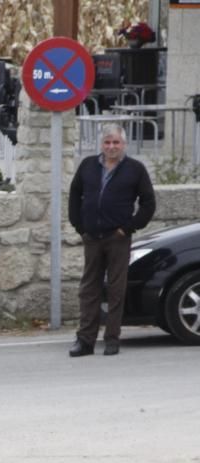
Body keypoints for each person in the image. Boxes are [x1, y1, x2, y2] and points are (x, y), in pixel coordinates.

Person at [68, 124, 155, 357]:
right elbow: (75, 193)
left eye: (116, 142)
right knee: (89, 289)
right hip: (92, 237)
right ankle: (85, 340)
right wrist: (79, 225)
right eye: (107, 142)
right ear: (101, 145)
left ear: (123, 144)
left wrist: (128, 228)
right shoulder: (88, 165)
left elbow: (148, 203)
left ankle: (112, 338)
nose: (111, 147)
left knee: (116, 289)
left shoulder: (135, 169)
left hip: (117, 238)